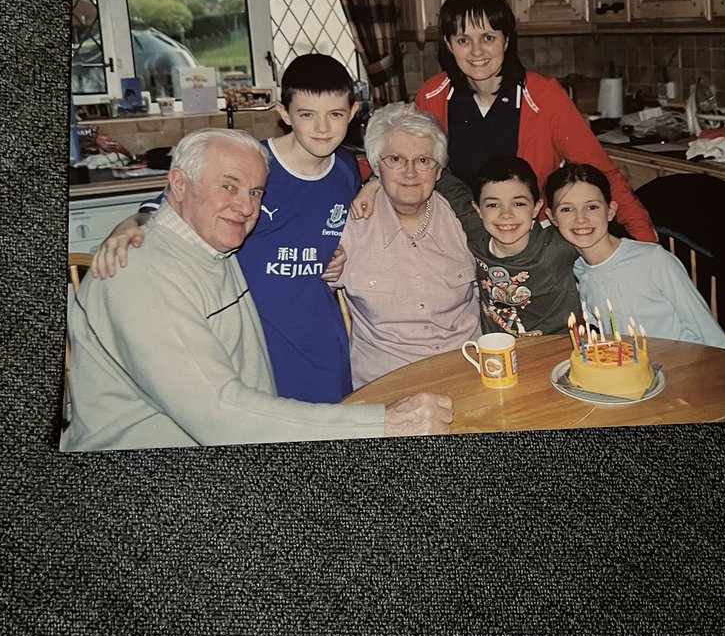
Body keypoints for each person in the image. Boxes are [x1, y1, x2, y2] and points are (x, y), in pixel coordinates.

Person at [62, 129, 452, 451]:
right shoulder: (141, 274)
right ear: (179, 185)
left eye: (255, 193)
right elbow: (218, 414)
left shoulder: (216, 248)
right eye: (228, 187)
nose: (245, 207)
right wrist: (384, 421)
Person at [91, 54, 363, 403]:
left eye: (335, 114)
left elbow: (337, 225)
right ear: (284, 114)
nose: (323, 128)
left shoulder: (346, 169)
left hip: (319, 331)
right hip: (253, 331)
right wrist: (131, 224)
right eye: (307, 115)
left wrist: (338, 255)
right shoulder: (253, 164)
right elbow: (171, 202)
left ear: (353, 112)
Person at [414, 0, 657, 241]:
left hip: (536, 246)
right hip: (464, 239)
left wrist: (648, 246)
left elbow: (603, 175)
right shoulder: (433, 96)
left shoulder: (544, 97)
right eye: (463, 40)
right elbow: (405, 161)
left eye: (488, 37)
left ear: (506, 40)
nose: (477, 51)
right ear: (449, 45)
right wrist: (374, 183)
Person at [353, 154, 582, 337]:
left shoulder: (559, 245)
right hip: (500, 358)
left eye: (519, 203)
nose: (506, 214)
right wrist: (375, 184)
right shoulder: (475, 235)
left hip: (558, 355)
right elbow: (437, 174)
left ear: (536, 208)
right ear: (477, 209)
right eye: (493, 205)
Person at [336, 103, 481, 389]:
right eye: (396, 160)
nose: (411, 173)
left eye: (424, 161)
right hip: (388, 386)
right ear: (377, 167)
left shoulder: (464, 220)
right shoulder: (350, 227)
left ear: (439, 171)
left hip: (468, 375)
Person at [544, 163, 725, 349]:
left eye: (592, 207)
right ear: (552, 218)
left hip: (686, 367)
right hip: (633, 372)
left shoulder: (653, 260)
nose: (581, 218)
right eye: (566, 209)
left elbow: (710, 334)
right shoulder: (578, 271)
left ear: (610, 211)